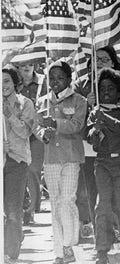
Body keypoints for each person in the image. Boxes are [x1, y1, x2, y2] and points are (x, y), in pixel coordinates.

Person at [72, 45, 120, 239]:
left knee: (114, 191)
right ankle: (99, 232)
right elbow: (74, 114)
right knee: (91, 189)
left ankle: (114, 228)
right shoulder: (81, 84)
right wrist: (85, 104)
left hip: (116, 147)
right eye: (96, 59)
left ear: (113, 62)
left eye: (105, 59)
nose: (100, 63)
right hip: (90, 146)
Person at [34, 60, 88, 264]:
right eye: (52, 78)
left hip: (71, 157)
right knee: (56, 202)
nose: (56, 82)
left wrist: (55, 124)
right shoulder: (44, 101)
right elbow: (36, 127)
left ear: (69, 79)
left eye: (60, 77)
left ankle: (69, 243)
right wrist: (43, 134)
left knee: (68, 199)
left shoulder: (79, 100)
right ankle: (59, 252)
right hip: (51, 159)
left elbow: (77, 124)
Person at [85, 68, 120, 263]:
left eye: (111, 88)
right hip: (102, 162)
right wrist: (95, 131)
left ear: (119, 90)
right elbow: (90, 139)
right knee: (102, 206)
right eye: (102, 88)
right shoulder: (95, 111)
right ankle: (101, 250)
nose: (106, 92)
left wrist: (104, 118)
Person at [3, 65, 36, 263]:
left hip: (17, 162)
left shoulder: (26, 103)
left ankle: (11, 253)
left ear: (15, 83)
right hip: (1, 159)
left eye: (6, 81)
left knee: (13, 211)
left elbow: (25, 132)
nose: (2, 86)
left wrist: (10, 116)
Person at [16, 63, 46, 225]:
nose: (26, 67)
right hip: (17, 133)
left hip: (36, 133)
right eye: (23, 64)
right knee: (20, 170)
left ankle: (31, 210)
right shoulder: (12, 82)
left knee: (33, 170)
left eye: (30, 64)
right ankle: (22, 207)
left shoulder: (43, 81)